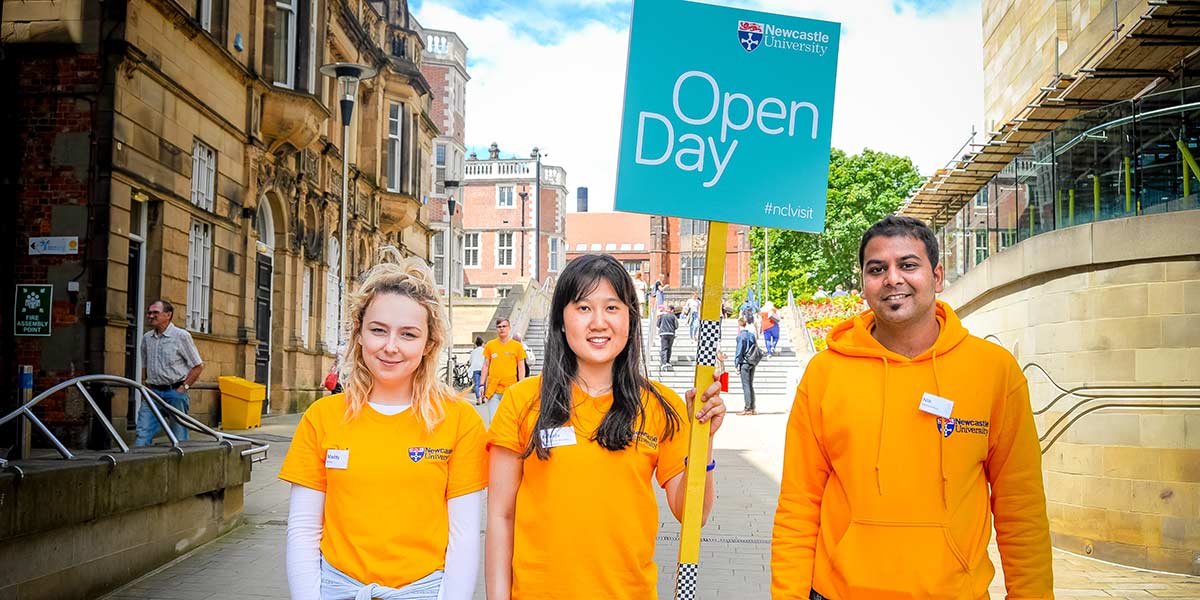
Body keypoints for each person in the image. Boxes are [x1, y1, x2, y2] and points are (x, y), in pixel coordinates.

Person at [771, 216, 1053, 600]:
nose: (892, 279)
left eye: (907, 265)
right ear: (864, 282)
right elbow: (798, 503)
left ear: (937, 277)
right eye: (877, 269)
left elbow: (1021, 506)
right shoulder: (825, 373)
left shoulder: (993, 370)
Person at [485, 253, 726, 600]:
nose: (598, 322)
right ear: (562, 319)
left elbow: (694, 515)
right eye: (583, 308)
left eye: (612, 308)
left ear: (631, 317)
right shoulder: (522, 401)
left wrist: (703, 440)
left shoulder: (661, 405)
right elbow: (500, 517)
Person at [279, 259, 488, 600]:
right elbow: (303, 529)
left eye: (408, 334)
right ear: (359, 333)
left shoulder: (459, 420)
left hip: (424, 591)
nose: (391, 346)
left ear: (429, 344)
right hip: (337, 588)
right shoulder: (322, 416)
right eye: (378, 330)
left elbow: (464, 536)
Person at [136, 299, 204, 446]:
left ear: (168, 315)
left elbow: (198, 366)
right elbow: (145, 365)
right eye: (149, 312)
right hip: (153, 393)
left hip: (175, 392)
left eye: (155, 312)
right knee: (142, 433)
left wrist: (183, 388)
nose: (151, 316)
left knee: (178, 437)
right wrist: (146, 386)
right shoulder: (147, 338)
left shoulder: (181, 336)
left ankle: (181, 466)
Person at [482, 318, 527, 406]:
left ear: (509, 328)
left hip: (510, 388)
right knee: (493, 419)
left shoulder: (517, 346)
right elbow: (486, 366)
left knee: (508, 418)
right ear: (496, 329)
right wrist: (481, 384)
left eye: (504, 326)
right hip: (493, 388)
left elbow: (521, 367)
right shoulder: (490, 345)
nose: (501, 329)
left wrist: (521, 384)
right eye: (499, 327)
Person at [734, 317, 758, 416]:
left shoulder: (740, 337)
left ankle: (747, 408)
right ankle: (752, 408)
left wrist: (736, 364)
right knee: (750, 384)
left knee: (746, 385)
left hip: (744, 363)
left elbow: (739, 351)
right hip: (752, 361)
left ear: (739, 325)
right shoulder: (752, 335)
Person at [656, 304, 679, 370]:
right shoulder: (673, 316)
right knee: (669, 348)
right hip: (671, 334)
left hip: (663, 333)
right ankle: (668, 361)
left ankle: (664, 363)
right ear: (672, 310)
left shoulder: (662, 316)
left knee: (664, 348)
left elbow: (658, 324)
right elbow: (676, 326)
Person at [469, 337, 486, 404]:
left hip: (475, 369)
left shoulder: (474, 351)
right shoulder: (484, 350)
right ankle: (483, 397)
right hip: (483, 368)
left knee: (476, 384)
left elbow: (471, 361)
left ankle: (478, 398)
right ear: (482, 343)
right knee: (483, 384)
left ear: (476, 344)